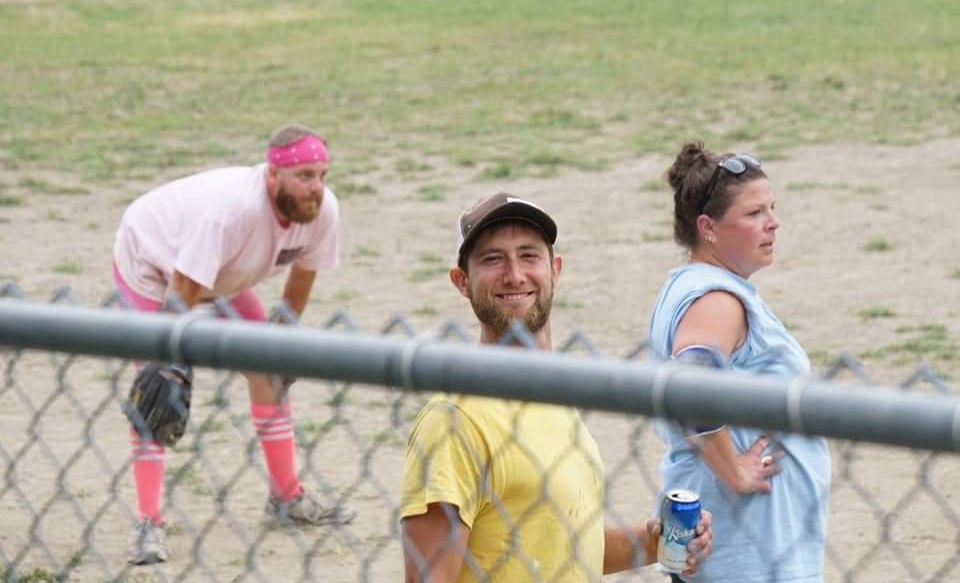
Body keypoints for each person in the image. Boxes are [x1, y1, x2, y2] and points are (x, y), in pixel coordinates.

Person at [399, 191, 713, 582]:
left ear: (555, 269)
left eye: (529, 255)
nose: (515, 275)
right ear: (461, 281)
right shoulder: (453, 421)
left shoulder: (554, 395)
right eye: (493, 259)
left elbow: (566, 547)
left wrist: (656, 542)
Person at [113, 123, 356, 565]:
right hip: (152, 261)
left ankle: (286, 498)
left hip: (220, 272)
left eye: (322, 175)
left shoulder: (323, 210)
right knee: (155, 389)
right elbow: (184, 284)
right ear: (272, 176)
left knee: (269, 370)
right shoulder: (235, 210)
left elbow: (303, 273)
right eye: (304, 175)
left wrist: (281, 336)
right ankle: (147, 522)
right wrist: (170, 362)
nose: (316, 188)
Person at [648, 141, 831, 582]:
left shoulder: (698, 286)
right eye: (754, 214)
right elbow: (690, 383)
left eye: (771, 208)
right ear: (708, 227)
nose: (773, 223)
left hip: (748, 541)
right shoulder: (715, 299)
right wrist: (734, 470)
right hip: (746, 546)